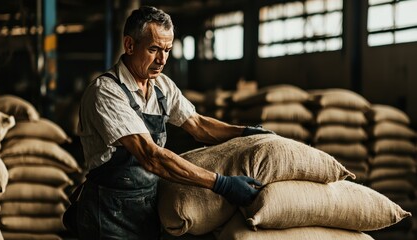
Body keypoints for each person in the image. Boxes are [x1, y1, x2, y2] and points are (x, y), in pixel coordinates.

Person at [76, 5, 273, 239]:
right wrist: (222, 184)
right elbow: (152, 157)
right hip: (107, 215)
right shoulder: (106, 92)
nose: (162, 60)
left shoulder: (162, 85)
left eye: (167, 50)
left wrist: (245, 133)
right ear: (129, 45)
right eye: (154, 49)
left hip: (147, 209)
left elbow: (199, 126)